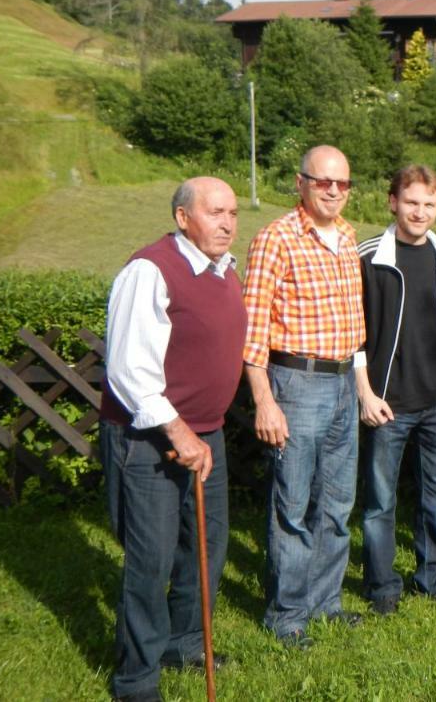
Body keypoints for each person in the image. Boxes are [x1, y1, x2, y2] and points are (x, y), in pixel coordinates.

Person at [100, 177, 246, 702]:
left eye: (232, 212)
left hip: (207, 433)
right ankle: (137, 681)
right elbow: (128, 368)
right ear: (184, 218)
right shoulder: (150, 270)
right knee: (151, 560)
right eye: (214, 212)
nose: (227, 222)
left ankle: (183, 645)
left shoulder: (225, 271)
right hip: (150, 438)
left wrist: (201, 429)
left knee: (204, 549)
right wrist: (178, 429)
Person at [243, 145, 366, 648]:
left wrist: (359, 386)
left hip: (341, 382)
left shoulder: (350, 237)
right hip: (295, 384)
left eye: (341, 184)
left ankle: (325, 602)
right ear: (301, 184)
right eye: (323, 182)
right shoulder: (275, 238)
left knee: (337, 504)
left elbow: (356, 326)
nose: (333, 191)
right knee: (292, 506)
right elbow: (251, 331)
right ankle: (287, 614)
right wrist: (263, 400)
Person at [354, 165, 436, 614]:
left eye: (429, 204)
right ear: (392, 202)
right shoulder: (368, 255)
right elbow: (353, 330)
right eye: (411, 202)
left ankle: (433, 578)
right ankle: (382, 587)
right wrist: (365, 392)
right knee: (380, 502)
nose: (420, 212)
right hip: (388, 401)